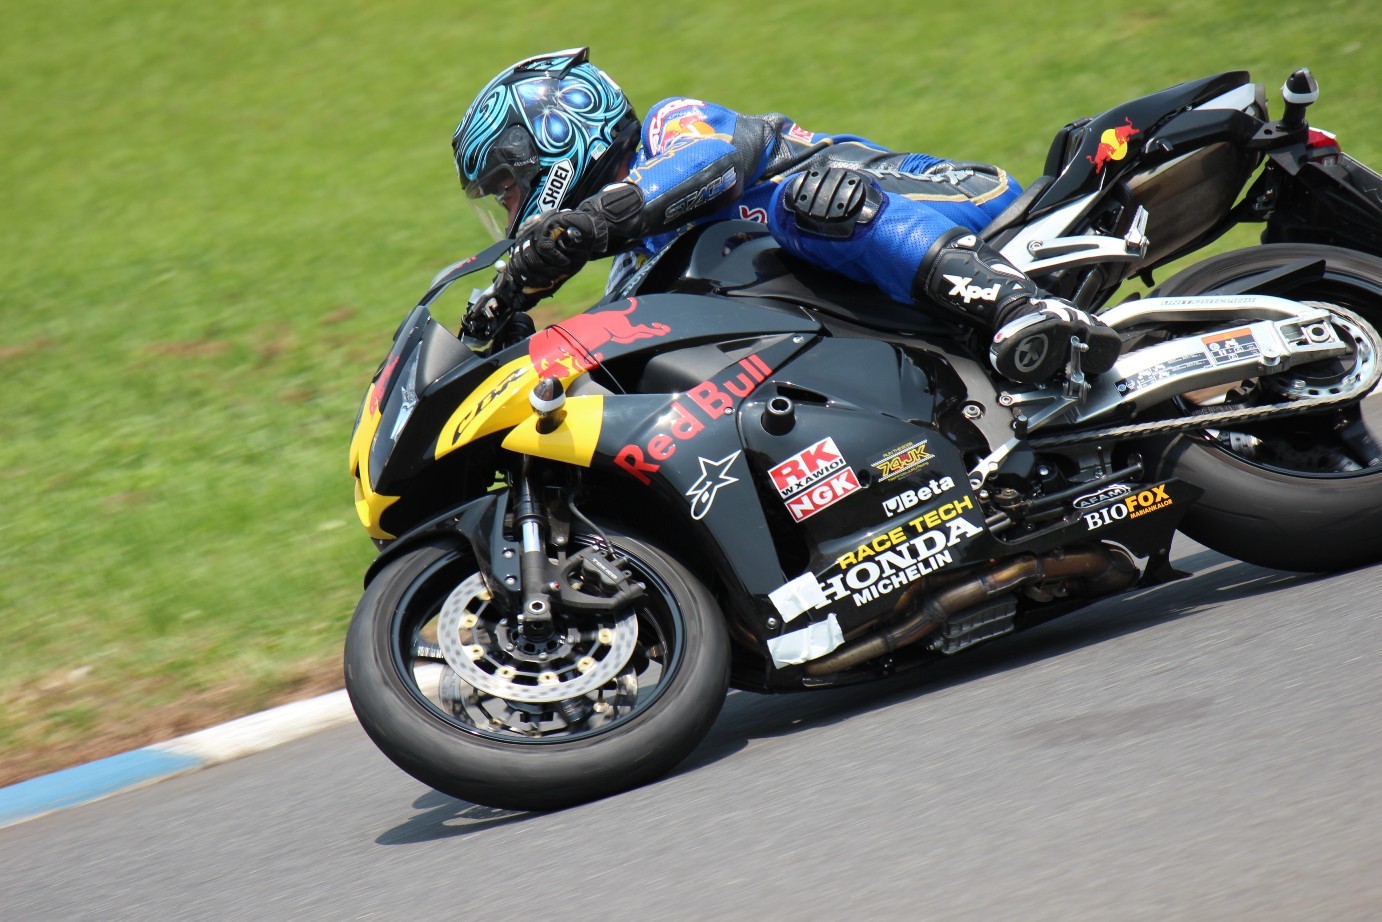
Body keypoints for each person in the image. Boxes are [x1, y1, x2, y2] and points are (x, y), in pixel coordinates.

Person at [452, 48, 1120, 384]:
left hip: (950, 201)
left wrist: (588, 223)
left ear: (554, 139)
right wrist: (509, 310)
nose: (512, 212)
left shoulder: (670, 126)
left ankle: (1018, 305)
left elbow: (711, 160)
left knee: (807, 205)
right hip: (890, 308)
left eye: (508, 190)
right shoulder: (636, 263)